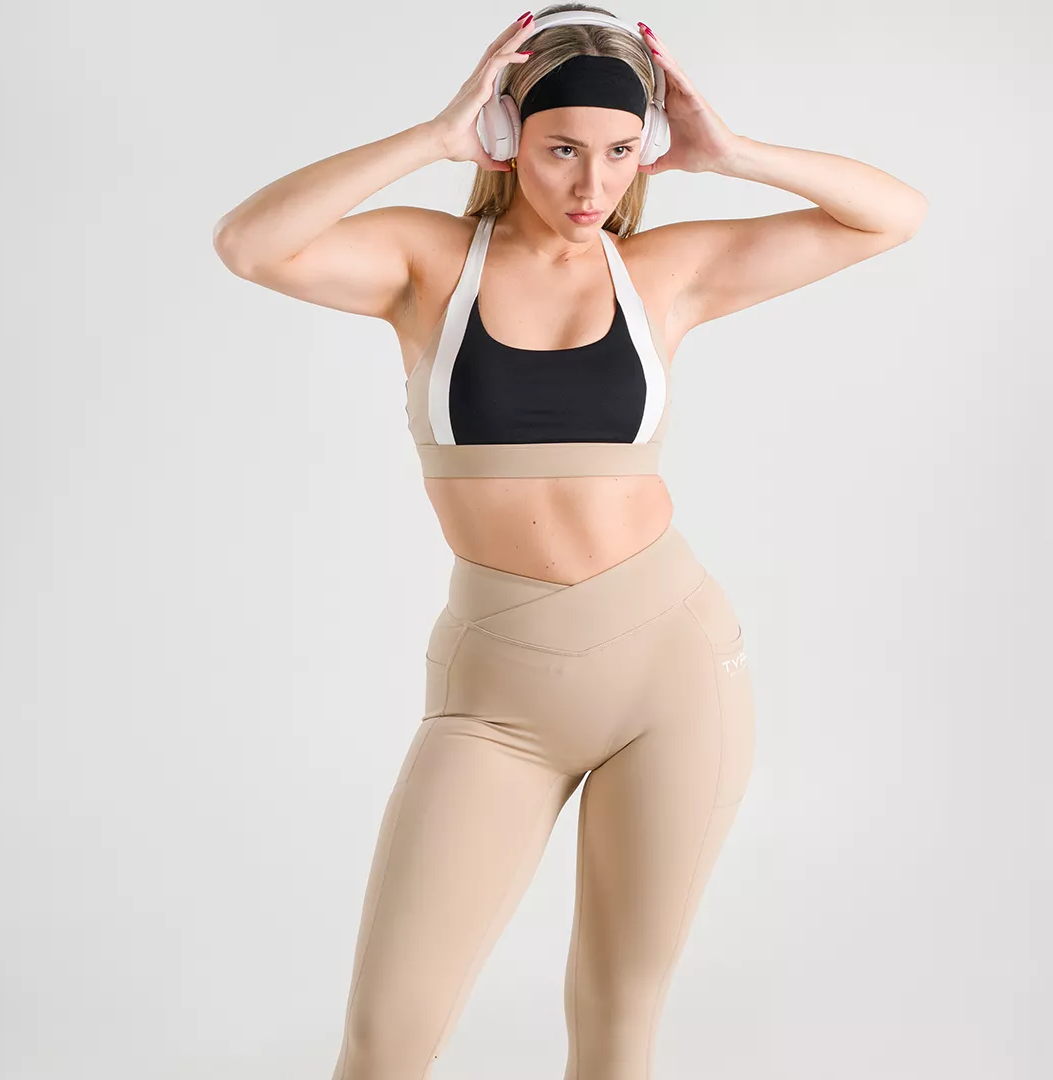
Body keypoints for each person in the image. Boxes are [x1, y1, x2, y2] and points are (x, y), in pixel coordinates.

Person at [212, 5, 926, 1077]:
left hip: (675, 674)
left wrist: (732, 152)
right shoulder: (427, 264)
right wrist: (433, 136)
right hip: (498, 699)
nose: (594, 184)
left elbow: (893, 216)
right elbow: (248, 244)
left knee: (614, 1023)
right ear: (505, 135)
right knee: (386, 1038)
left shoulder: (663, 275)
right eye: (561, 150)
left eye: (621, 152)